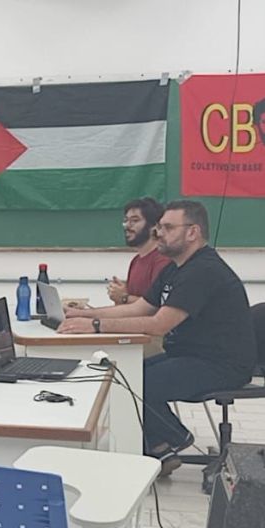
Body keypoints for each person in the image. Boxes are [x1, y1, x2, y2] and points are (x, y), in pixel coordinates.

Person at [58, 200, 255, 475]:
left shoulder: (203, 270)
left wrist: (95, 325)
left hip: (221, 365)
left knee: (132, 383)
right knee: (119, 375)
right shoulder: (175, 268)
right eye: (160, 227)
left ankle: (173, 437)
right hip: (190, 355)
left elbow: (159, 324)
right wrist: (81, 314)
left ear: (192, 232)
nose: (159, 233)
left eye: (168, 227)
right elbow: (138, 308)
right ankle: (161, 449)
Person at [107, 198, 171, 307]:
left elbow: (158, 305)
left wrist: (124, 297)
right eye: (126, 220)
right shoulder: (136, 261)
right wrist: (119, 296)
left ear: (154, 226)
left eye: (134, 220)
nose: (127, 225)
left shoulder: (163, 260)